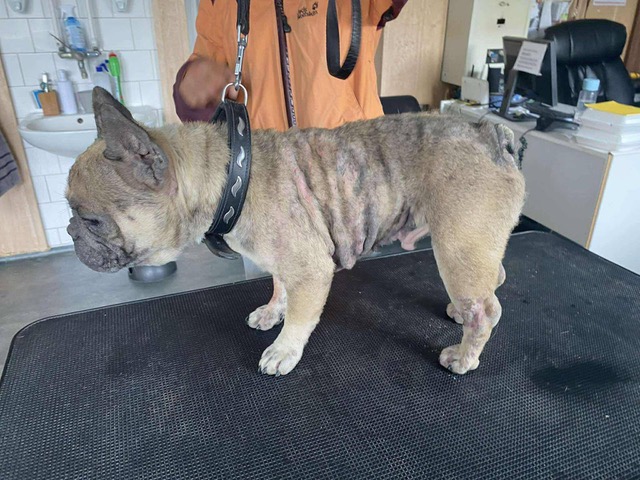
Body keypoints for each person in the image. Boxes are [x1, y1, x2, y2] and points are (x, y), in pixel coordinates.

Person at [173, 0, 407, 277]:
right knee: (270, 296)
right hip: (264, 194)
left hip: (351, 189)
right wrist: (193, 86)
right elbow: (201, 75)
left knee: (364, 296)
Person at [173, 0, 406, 130]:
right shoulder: (219, 3)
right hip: (270, 174)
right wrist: (191, 88)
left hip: (353, 166)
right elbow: (197, 97)